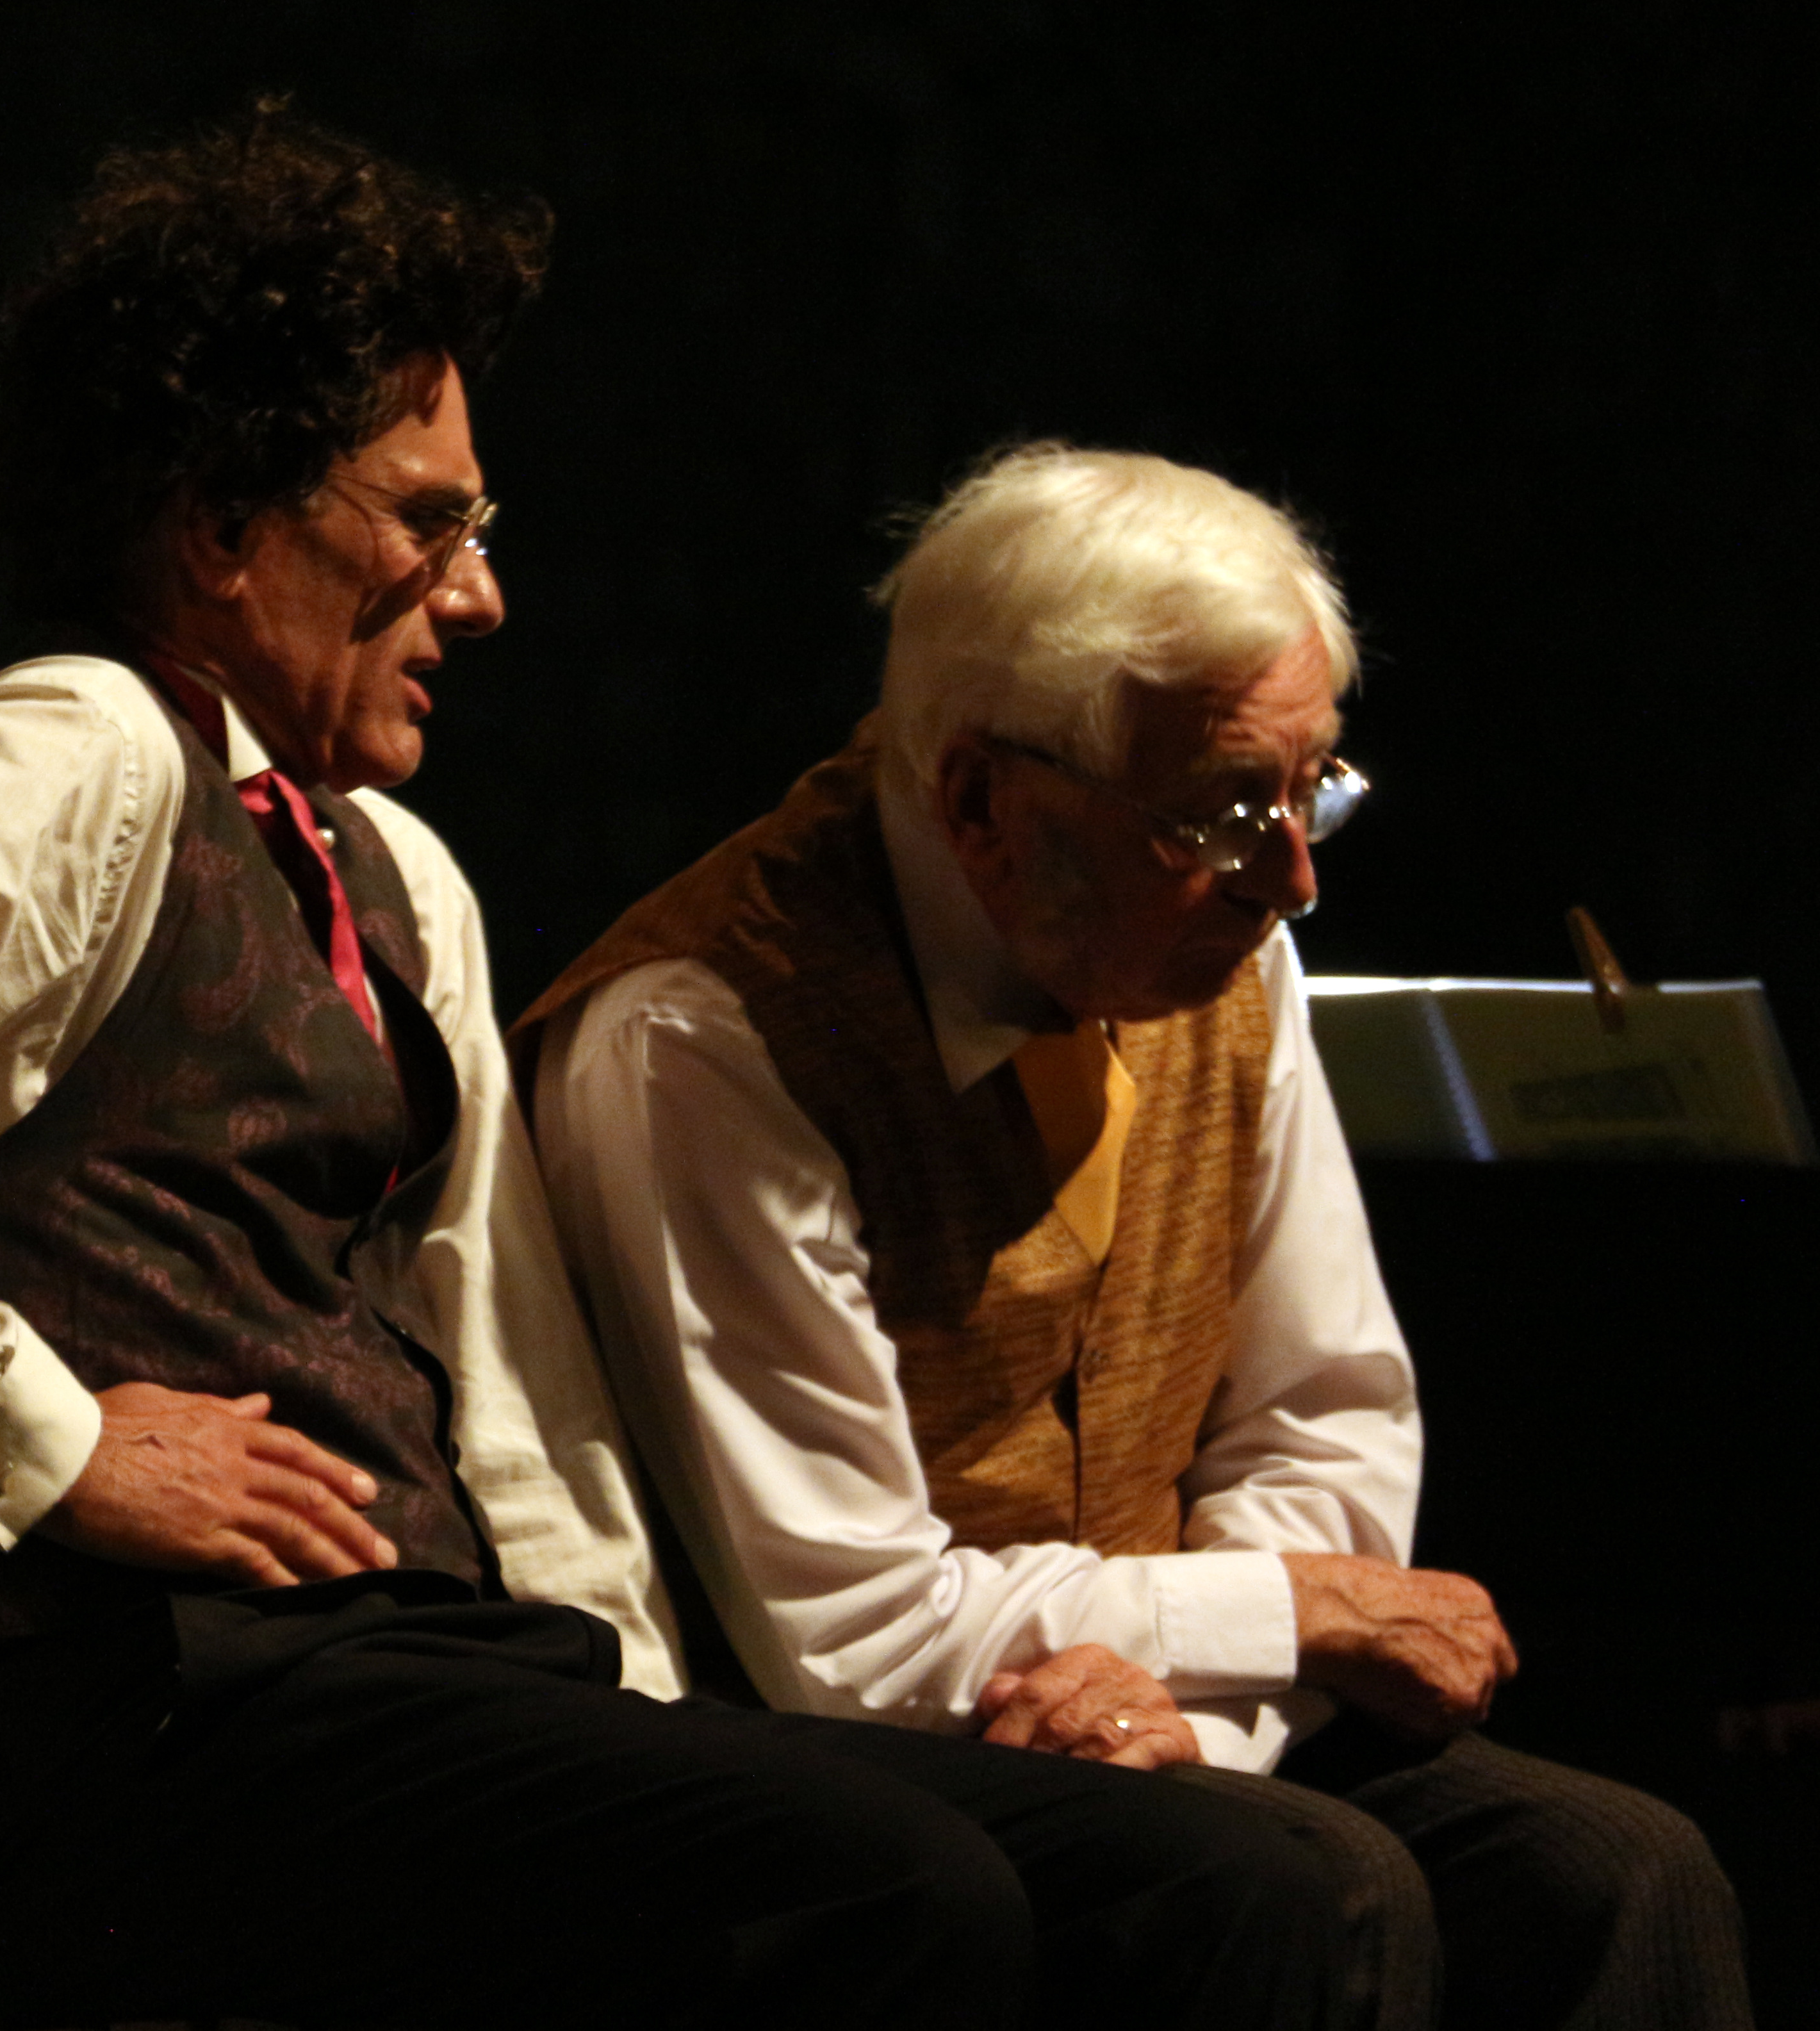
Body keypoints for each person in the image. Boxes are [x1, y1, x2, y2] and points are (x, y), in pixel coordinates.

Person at [0, 111, 1420, 2029]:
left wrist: (661, 1717)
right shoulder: (87, 746)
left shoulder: (396, 869)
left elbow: (514, 1394)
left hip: (428, 1682)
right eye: (424, 525)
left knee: (1176, 1877)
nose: (477, 598)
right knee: (893, 1891)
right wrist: (40, 1436)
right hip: (173, 1710)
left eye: (478, 533)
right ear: (222, 529)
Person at [523, 444, 1757, 2029]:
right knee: (1320, 1888)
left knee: (1623, 1871)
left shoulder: (1228, 940)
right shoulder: (708, 1036)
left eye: (1313, 790)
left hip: (1156, 1718)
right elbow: (851, 1634)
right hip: (853, 1768)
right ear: (984, 800)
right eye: (1229, 808)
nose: (1291, 877)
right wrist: (1288, 1617)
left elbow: (1325, 1413)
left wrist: (1207, 1723)